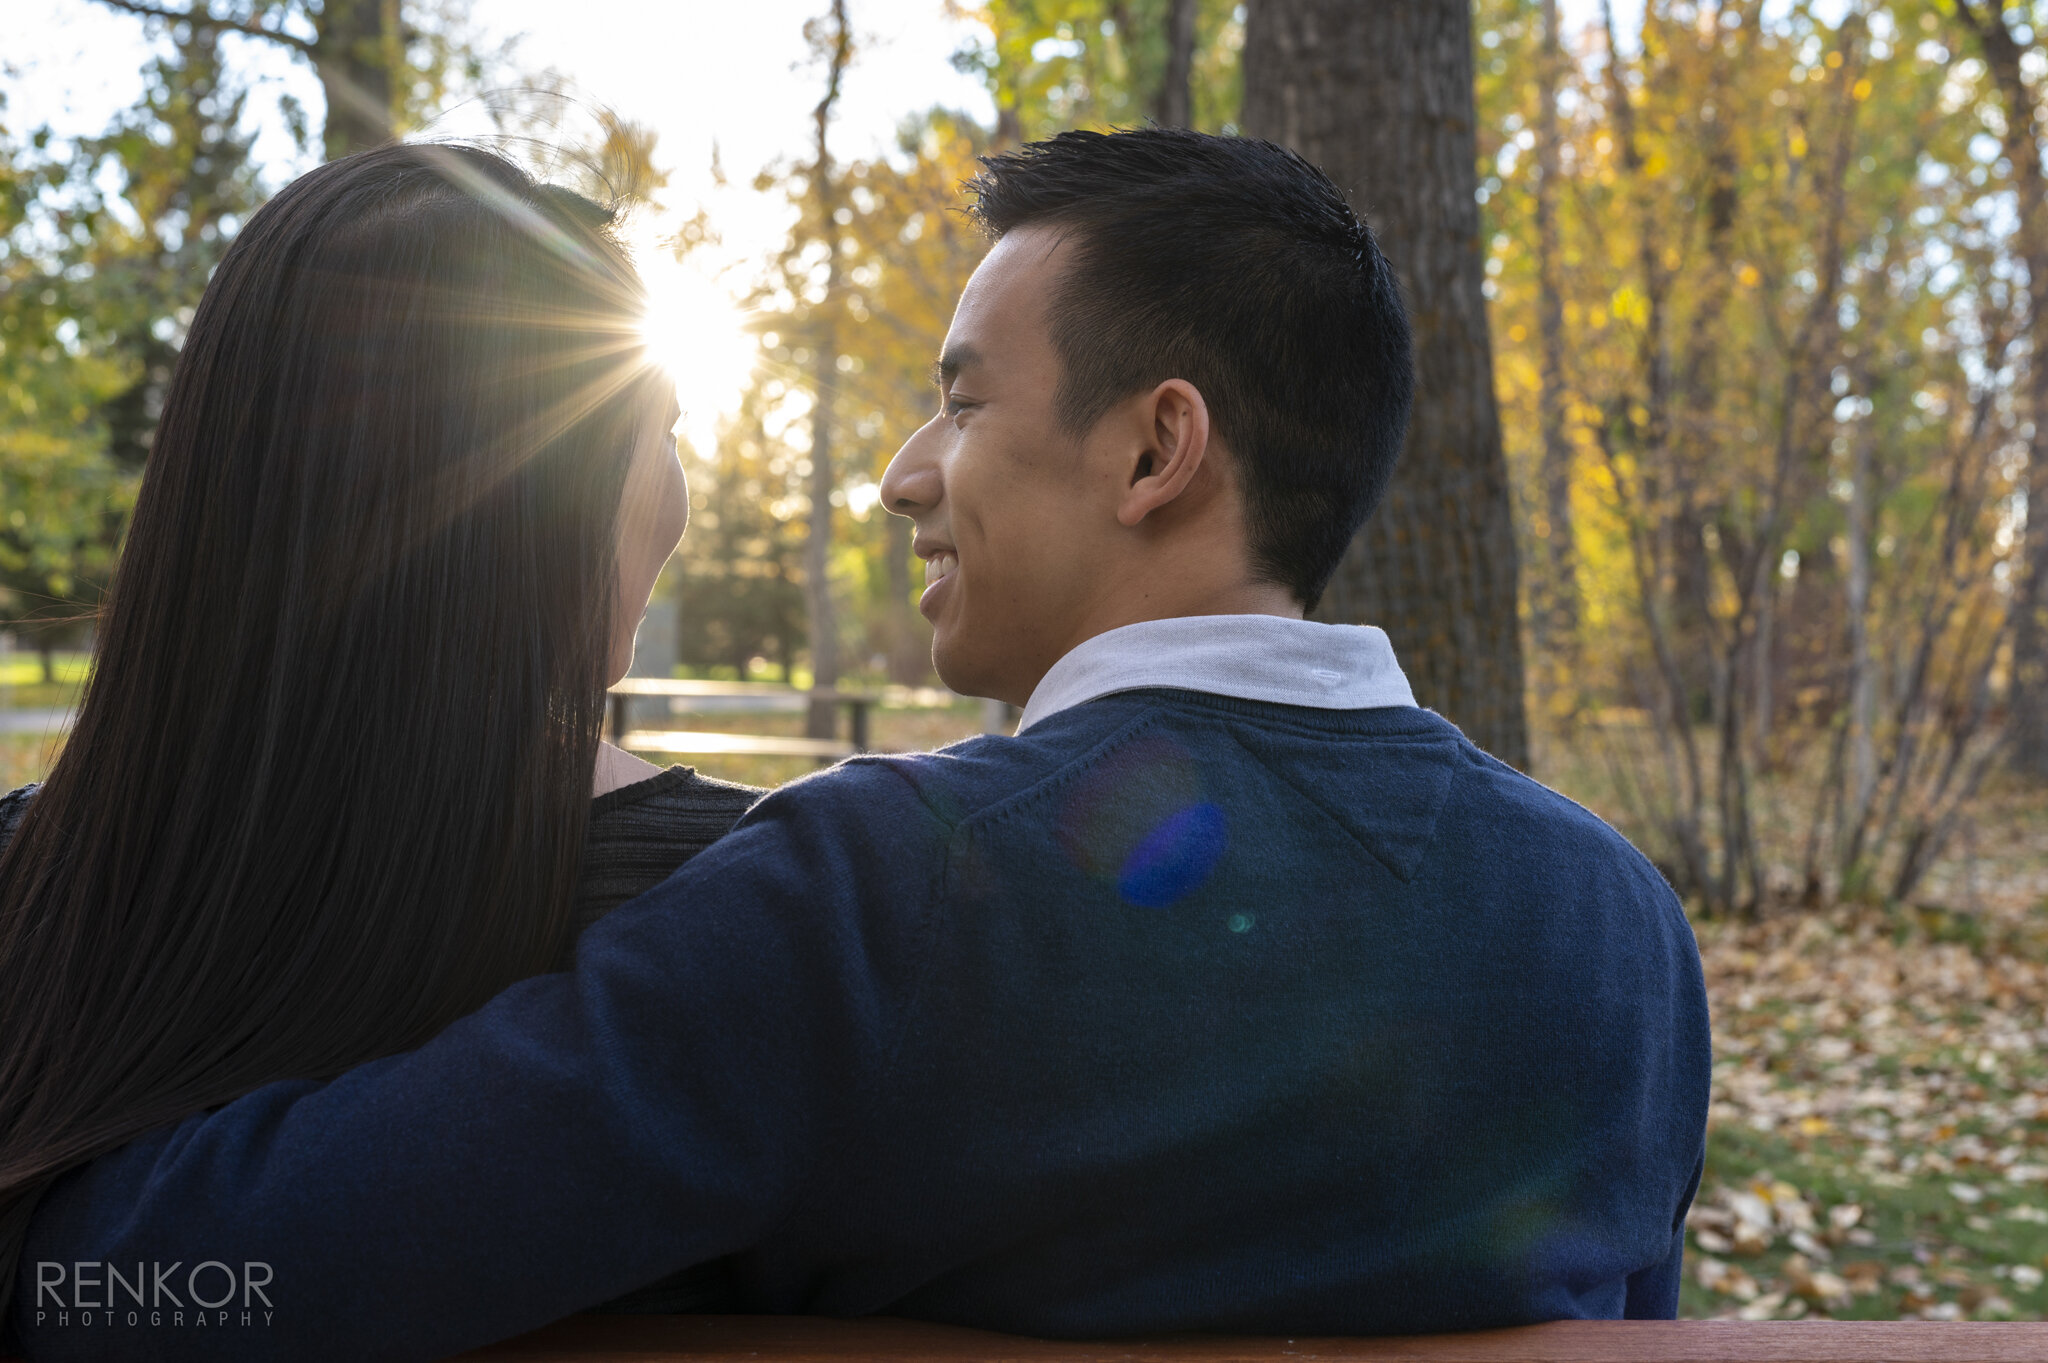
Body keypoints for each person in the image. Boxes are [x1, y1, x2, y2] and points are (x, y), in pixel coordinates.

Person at [6, 128, 1709, 1363]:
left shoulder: (876, 897)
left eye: (963, 397)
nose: (905, 467)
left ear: (1150, 451)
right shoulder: (1618, 927)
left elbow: (240, 1268)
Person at [0, 144, 761, 1339]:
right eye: (660, 427)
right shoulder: (764, 918)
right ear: (552, 491)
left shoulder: (37, 891)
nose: (675, 491)